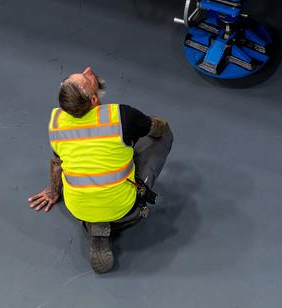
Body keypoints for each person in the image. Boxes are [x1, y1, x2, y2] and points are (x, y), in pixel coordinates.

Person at [28, 65, 173, 274]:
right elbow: (158, 129)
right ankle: (123, 216)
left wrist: (53, 191)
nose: (88, 70)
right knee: (160, 136)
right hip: (123, 206)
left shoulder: (57, 123)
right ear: (94, 100)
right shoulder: (121, 115)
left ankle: (94, 226)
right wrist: (145, 123)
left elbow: (57, 162)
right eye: (86, 78)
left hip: (78, 207)